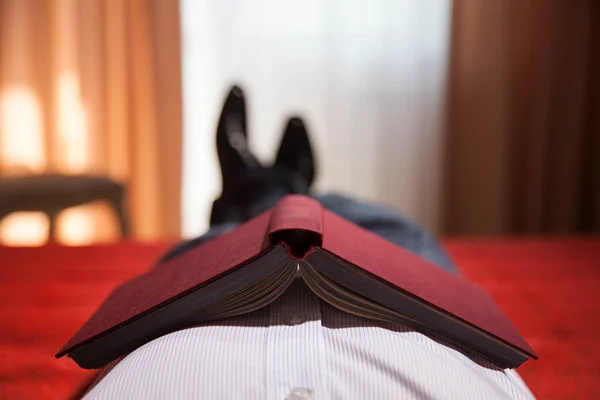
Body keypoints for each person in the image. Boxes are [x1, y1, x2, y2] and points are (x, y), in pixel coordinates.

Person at [83, 86, 535, 399]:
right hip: (423, 314)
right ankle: (291, 186)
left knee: (228, 241)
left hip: (191, 313)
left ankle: (252, 188)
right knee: (375, 227)